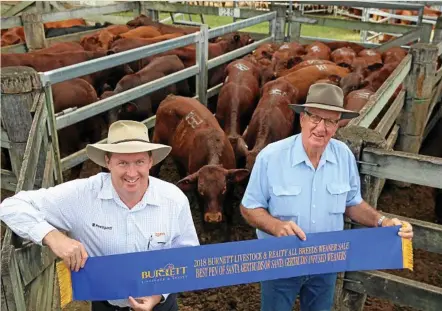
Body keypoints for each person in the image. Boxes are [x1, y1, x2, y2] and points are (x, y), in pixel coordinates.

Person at [239, 83, 414, 311]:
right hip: (280, 261)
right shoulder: (271, 157)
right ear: (302, 118)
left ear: (338, 124)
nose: (321, 128)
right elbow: (249, 208)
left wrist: (383, 222)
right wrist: (275, 226)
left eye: (331, 121)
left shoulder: (343, 156)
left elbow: (352, 202)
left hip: (326, 261)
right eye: (315, 118)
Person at [0, 120, 199, 311]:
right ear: (108, 162)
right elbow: (11, 206)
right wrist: (53, 237)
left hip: (161, 305)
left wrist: (156, 296)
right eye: (122, 162)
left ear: (150, 161)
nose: (131, 173)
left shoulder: (173, 199)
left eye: (139, 161)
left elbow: (187, 256)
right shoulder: (82, 196)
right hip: (107, 306)